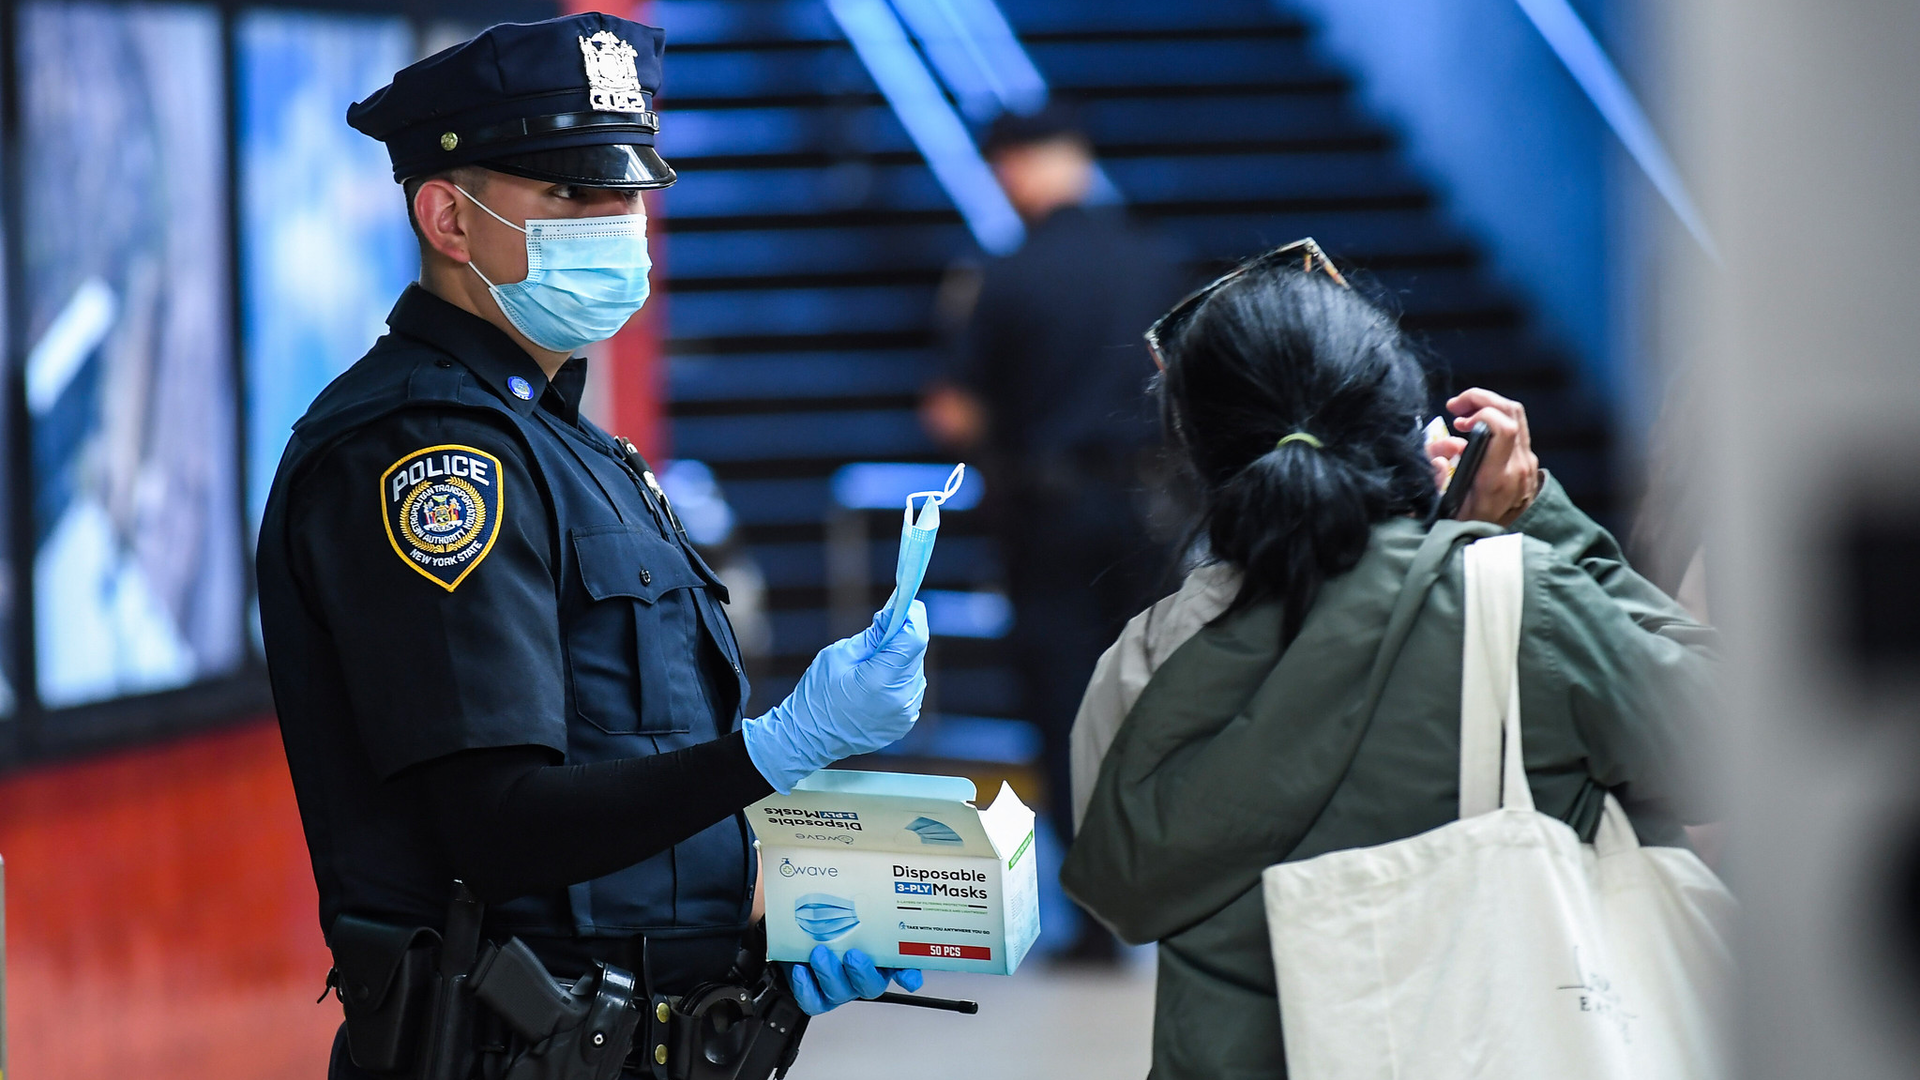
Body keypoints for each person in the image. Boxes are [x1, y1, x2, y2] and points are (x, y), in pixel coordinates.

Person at [254, 16, 923, 1078]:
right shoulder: (428, 456)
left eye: (629, 194)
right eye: (572, 196)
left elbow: (627, 788)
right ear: (447, 216)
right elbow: (504, 829)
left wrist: (774, 930)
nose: (619, 224)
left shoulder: (566, 442)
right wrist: (779, 747)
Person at [1060, 244, 1720, 1077]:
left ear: (1200, 455)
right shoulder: (1516, 603)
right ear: (1399, 414)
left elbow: (1125, 894)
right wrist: (1538, 521)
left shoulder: (1141, 665)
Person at [921, 104, 1185, 959]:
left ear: (1016, 167)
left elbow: (955, 415)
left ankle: (1099, 913)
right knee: (1156, 697)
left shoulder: (1006, 275)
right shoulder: (1159, 263)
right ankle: (1179, 882)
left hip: (1049, 516)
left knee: (1067, 705)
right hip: (1154, 516)